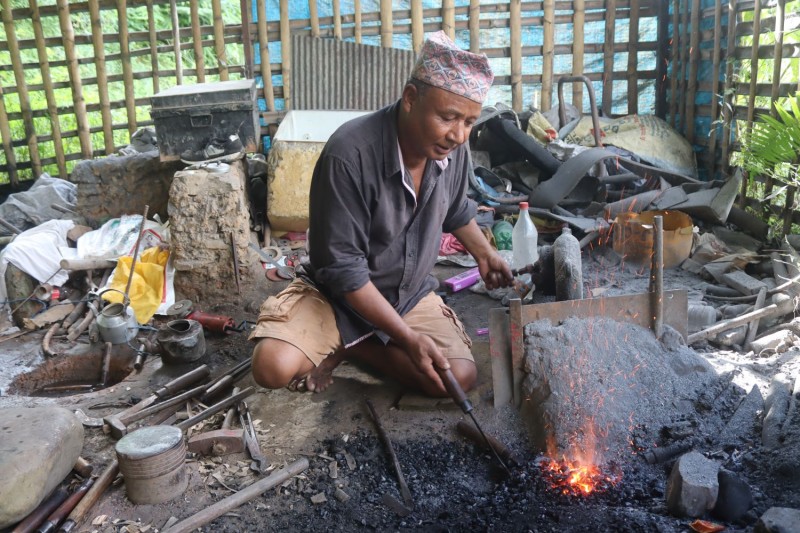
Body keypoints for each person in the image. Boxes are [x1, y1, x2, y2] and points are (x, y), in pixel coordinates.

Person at [250, 31, 513, 398]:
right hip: (337, 297)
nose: (458, 135)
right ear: (410, 98)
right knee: (271, 366)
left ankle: (355, 346)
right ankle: (352, 335)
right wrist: (407, 338)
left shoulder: (451, 151)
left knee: (456, 378)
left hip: (407, 295)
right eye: (448, 117)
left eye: (468, 122)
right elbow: (345, 273)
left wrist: (485, 254)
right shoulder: (350, 154)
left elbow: (455, 209)